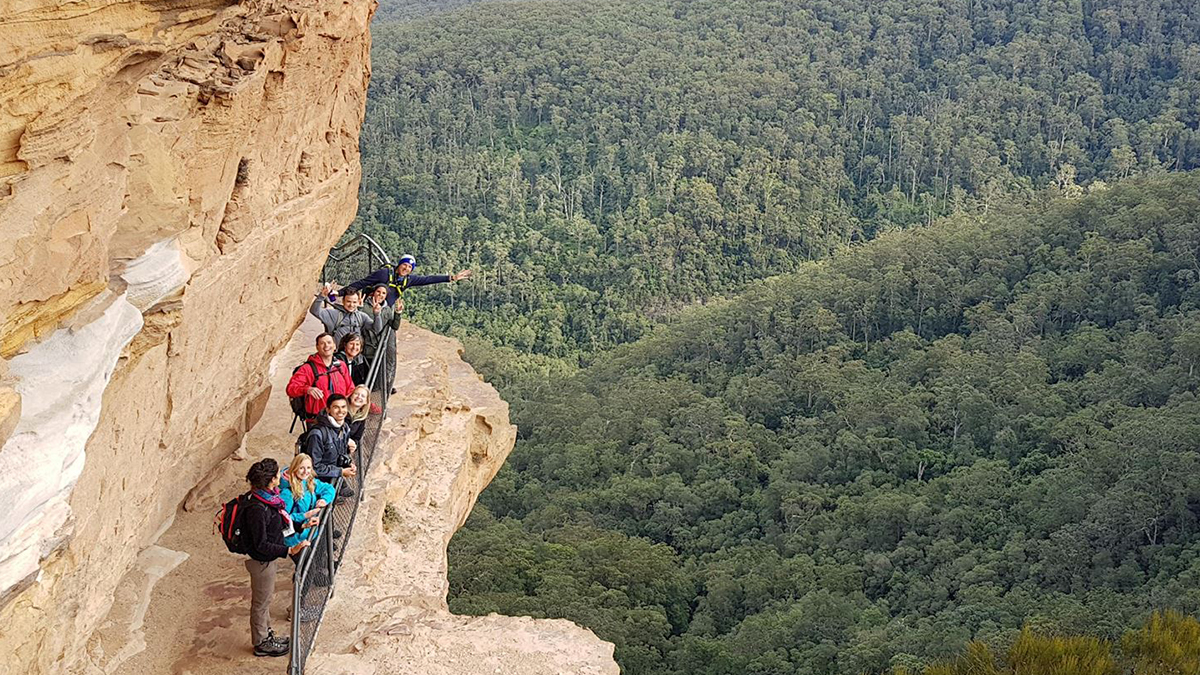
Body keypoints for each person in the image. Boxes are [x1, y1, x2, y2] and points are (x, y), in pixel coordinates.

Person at [242, 458, 311, 657]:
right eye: (278, 474)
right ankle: (261, 643)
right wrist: (288, 551)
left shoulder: (266, 498)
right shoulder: (257, 508)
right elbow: (261, 543)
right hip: (261, 561)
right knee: (261, 603)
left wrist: (300, 526)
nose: (281, 476)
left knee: (265, 599)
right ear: (272, 480)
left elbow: (277, 526)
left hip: (266, 558)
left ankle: (266, 635)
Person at [342, 254, 472, 307]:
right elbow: (362, 283)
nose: (406, 268)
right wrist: (339, 293)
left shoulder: (408, 280)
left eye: (410, 267)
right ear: (399, 264)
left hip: (386, 310)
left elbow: (428, 279)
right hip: (370, 305)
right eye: (404, 264)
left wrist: (452, 278)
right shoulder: (384, 273)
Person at [285, 333, 354, 427]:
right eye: (322, 343)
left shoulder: (341, 366)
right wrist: (307, 389)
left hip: (339, 418)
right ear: (317, 347)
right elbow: (291, 389)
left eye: (329, 343)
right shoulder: (307, 369)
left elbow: (350, 388)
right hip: (317, 421)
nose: (326, 346)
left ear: (334, 346)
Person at [301, 394, 358, 497]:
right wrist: (340, 472)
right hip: (319, 482)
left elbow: (340, 452)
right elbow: (314, 467)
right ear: (328, 409)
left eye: (343, 407)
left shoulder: (344, 427)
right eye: (336, 407)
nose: (341, 411)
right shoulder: (317, 434)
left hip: (332, 475)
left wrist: (347, 464)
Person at [279, 453, 334, 552]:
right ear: (295, 468)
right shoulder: (287, 492)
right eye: (301, 468)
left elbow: (329, 488)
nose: (306, 472)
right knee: (307, 564)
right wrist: (304, 515)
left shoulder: (308, 482)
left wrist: (324, 499)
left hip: (310, 531)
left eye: (308, 467)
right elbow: (282, 518)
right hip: (296, 540)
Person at [309, 284, 382, 346]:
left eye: (354, 302)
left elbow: (376, 329)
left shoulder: (361, 316)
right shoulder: (334, 314)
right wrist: (322, 296)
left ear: (358, 302)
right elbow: (315, 311)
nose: (351, 305)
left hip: (355, 355)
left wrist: (377, 314)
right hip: (337, 355)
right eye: (348, 301)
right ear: (343, 301)